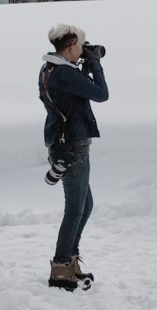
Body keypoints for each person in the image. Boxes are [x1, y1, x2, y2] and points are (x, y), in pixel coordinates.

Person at [39, 24, 108, 291]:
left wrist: (85, 65)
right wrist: (96, 65)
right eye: (81, 46)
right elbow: (101, 94)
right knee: (75, 208)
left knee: (85, 204)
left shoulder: (50, 68)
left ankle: (70, 260)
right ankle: (60, 267)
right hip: (73, 146)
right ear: (70, 48)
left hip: (64, 143)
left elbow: (77, 94)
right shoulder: (65, 74)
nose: (84, 50)